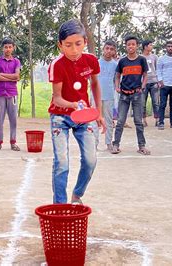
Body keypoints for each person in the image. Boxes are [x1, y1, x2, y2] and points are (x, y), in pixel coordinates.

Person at [48, 19, 105, 204]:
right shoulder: (57, 65)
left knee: (90, 160)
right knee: (62, 163)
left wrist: (98, 113)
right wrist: (73, 105)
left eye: (78, 44)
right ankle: (60, 205)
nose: (74, 50)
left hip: (83, 116)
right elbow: (57, 98)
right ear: (60, 45)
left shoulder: (91, 61)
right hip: (60, 117)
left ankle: (77, 194)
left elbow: (95, 84)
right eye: (68, 45)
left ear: (85, 42)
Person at [111, 35, 150, 155]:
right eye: (128, 45)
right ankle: (116, 145)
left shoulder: (142, 60)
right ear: (126, 46)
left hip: (137, 94)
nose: (131, 46)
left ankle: (141, 146)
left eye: (133, 44)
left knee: (138, 121)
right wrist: (117, 87)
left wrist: (143, 86)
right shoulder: (122, 61)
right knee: (120, 121)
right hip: (124, 94)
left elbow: (145, 75)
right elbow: (117, 75)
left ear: (137, 46)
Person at [0, 37, 21, 152]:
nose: (7, 49)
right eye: (5, 47)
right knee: (0, 119)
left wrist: (2, 74)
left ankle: (13, 142)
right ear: (2, 48)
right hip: (0, 93)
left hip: (12, 93)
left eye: (10, 47)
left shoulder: (16, 62)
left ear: (13, 48)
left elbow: (17, 76)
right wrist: (10, 76)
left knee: (13, 120)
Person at [98, 40, 118, 151]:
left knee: (109, 120)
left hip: (109, 96)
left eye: (111, 49)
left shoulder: (116, 65)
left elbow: (117, 80)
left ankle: (109, 143)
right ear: (103, 49)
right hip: (96, 97)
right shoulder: (96, 63)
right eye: (107, 48)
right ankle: (94, 144)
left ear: (114, 51)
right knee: (95, 121)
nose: (109, 51)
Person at [141, 40, 159, 127]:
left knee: (155, 102)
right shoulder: (140, 57)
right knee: (142, 102)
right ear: (145, 47)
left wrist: (158, 80)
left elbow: (157, 69)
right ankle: (143, 120)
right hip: (143, 83)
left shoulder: (154, 57)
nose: (152, 46)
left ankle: (157, 120)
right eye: (150, 45)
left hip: (154, 82)